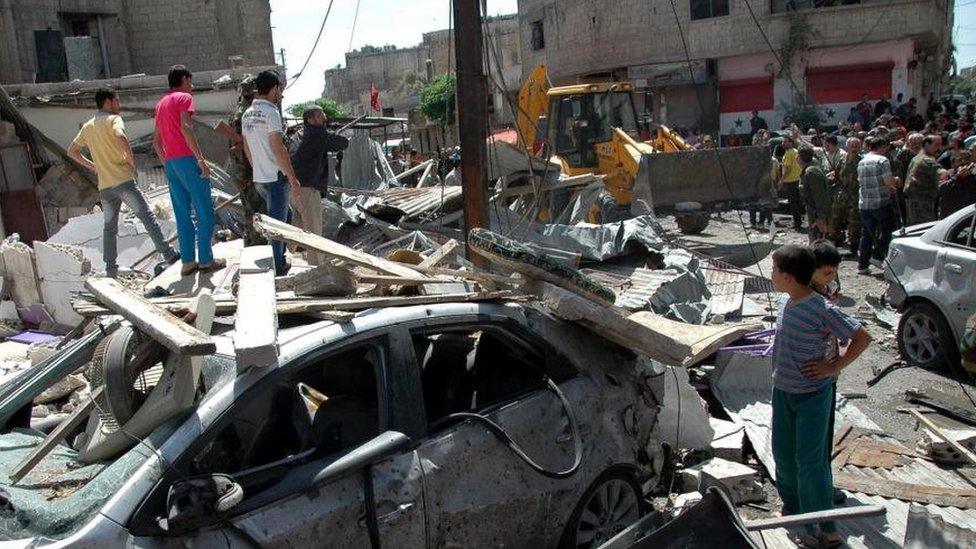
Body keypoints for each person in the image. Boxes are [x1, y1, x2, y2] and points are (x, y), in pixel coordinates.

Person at [770, 244, 871, 548]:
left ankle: (828, 529)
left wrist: (833, 366)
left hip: (813, 396)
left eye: (774, 270)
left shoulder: (822, 307)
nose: (771, 274)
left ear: (788, 277)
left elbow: (862, 337)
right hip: (783, 391)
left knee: (810, 463)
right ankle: (794, 510)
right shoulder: (786, 300)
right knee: (784, 456)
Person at [68, 88, 178, 277]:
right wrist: (129, 158)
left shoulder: (88, 126)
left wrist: (93, 166)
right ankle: (169, 255)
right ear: (109, 102)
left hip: (105, 187)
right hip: (123, 181)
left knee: (109, 228)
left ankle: (110, 268)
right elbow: (120, 135)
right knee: (147, 218)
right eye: (117, 101)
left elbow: (72, 151)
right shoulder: (114, 119)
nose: (119, 105)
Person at [153, 65, 222, 276]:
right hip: (187, 159)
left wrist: (167, 163)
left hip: (172, 163)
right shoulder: (183, 98)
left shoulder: (161, 104)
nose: (191, 87)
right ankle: (206, 260)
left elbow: (156, 142)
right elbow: (186, 127)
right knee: (204, 210)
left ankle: (188, 261)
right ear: (184, 79)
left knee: (182, 214)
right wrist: (200, 159)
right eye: (190, 82)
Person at [241, 70, 301, 276]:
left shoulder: (247, 114)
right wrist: (292, 178)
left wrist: (257, 167)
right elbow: (278, 147)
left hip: (260, 178)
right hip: (276, 178)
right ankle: (276, 269)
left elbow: (247, 147)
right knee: (276, 228)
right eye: (279, 89)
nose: (279, 94)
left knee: (285, 215)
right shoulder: (271, 112)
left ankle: (280, 257)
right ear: (274, 88)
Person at [289, 105, 349, 265]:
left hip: (292, 186)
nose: (324, 117)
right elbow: (343, 143)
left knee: (294, 228)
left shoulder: (298, 134)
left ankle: (282, 257)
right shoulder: (318, 134)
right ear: (311, 119)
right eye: (321, 114)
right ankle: (317, 268)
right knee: (314, 231)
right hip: (308, 188)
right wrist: (330, 133)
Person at [225, 75, 267, 247]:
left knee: (249, 211)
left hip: (240, 171)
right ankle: (259, 247)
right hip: (250, 170)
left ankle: (250, 244)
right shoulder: (250, 113)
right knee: (260, 212)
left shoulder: (235, 112)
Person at [856, 137, 900, 274]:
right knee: (888, 230)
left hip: (864, 203)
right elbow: (888, 181)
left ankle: (862, 266)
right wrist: (896, 181)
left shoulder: (862, 162)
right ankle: (877, 256)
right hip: (880, 202)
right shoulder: (882, 160)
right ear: (882, 147)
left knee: (867, 235)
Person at [903, 134, 943, 225]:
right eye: (936, 145)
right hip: (922, 203)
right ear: (926, 145)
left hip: (914, 201)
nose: (939, 147)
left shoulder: (916, 158)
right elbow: (941, 172)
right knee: (924, 229)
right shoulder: (926, 160)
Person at [831, 137, 862, 254]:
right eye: (852, 146)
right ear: (847, 147)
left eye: (856, 146)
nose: (854, 148)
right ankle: (834, 246)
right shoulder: (842, 161)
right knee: (835, 221)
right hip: (841, 197)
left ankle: (853, 248)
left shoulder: (861, 162)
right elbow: (837, 176)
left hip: (854, 197)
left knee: (854, 224)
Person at [799, 148, 833, 242]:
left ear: (799, 158)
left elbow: (819, 197)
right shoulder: (810, 170)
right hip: (812, 212)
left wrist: (820, 217)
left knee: (818, 241)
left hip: (816, 214)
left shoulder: (811, 172)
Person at [937, 149, 975, 219]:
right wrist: (957, 177)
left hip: (968, 218)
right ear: (953, 164)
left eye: (967, 160)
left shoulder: (973, 177)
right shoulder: (947, 174)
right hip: (950, 218)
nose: (963, 162)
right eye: (960, 160)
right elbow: (941, 190)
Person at [779, 136, 805, 231]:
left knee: (793, 204)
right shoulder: (795, 151)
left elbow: (788, 169)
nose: (783, 143)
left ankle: (797, 223)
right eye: (783, 142)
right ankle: (798, 222)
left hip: (791, 181)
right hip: (797, 180)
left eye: (785, 142)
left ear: (791, 142)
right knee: (797, 203)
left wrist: (781, 180)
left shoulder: (790, 153)